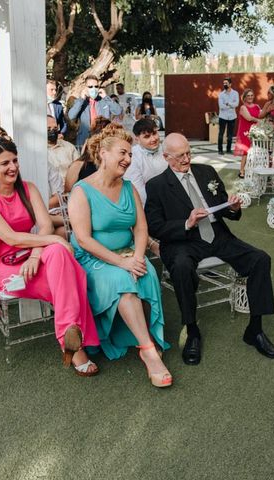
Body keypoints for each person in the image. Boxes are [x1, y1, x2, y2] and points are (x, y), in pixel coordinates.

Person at [0, 137, 100, 375]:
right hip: (1, 266)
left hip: (29, 255)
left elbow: (45, 226)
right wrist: (52, 240)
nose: (13, 167)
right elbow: (10, 238)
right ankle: (72, 340)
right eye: (4, 163)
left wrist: (36, 254)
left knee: (60, 255)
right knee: (69, 275)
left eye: (15, 160)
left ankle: (68, 335)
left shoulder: (28, 188)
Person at [145, 133, 274, 365]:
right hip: (182, 242)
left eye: (188, 152)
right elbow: (155, 226)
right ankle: (192, 330)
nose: (187, 158)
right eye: (180, 156)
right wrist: (186, 223)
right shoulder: (156, 186)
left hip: (218, 235)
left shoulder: (206, 172)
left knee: (260, 259)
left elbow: (223, 207)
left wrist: (234, 208)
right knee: (182, 266)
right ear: (167, 157)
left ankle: (255, 330)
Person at [67, 124, 172, 388]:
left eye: (130, 155)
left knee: (144, 270)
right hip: (93, 259)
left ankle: (138, 334)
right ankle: (148, 351)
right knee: (123, 283)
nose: (128, 159)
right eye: (122, 153)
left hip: (127, 253)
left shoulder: (128, 188)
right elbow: (84, 239)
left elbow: (140, 227)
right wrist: (123, 263)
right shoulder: (81, 191)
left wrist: (137, 256)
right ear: (103, 153)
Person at [68, 75, 122, 148]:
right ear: (85, 88)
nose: (93, 89)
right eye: (90, 87)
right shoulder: (80, 102)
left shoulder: (104, 100)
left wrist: (106, 97)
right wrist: (81, 99)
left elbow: (118, 111)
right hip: (85, 140)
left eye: (96, 86)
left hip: (102, 140)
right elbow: (71, 116)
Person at [123, 118, 165, 205]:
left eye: (154, 133)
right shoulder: (132, 157)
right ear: (137, 139)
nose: (153, 139)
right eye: (147, 136)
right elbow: (138, 191)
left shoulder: (166, 148)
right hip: (147, 205)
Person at [234, 88, 261, 179]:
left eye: (251, 95)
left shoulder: (257, 106)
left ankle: (253, 170)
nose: (250, 97)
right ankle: (242, 170)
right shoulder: (243, 107)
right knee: (246, 152)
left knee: (255, 151)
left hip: (256, 131)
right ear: (244, 97)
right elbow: (249, 118)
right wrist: (259, 120)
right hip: (246, 132)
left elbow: (261, 114)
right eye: (248, 96)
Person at [46, 115, 78, 179]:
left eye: (55, 128)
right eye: (48, 129)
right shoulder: (37, 151)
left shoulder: (69, 147)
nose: (52, 131)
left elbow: (78, 169)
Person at [217, 77, 239, 155]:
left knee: (230, 135)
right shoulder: (221, 94)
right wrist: (231, 105)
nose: (224, 85)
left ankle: (228, 149)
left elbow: (236, 104)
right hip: (223, 117)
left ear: (230, 84)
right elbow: (221, 106)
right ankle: (220, 150)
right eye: (224, 83)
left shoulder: (235, 93)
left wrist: (228, 103)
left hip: (232, 116)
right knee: (221, 133)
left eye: (226, 83)